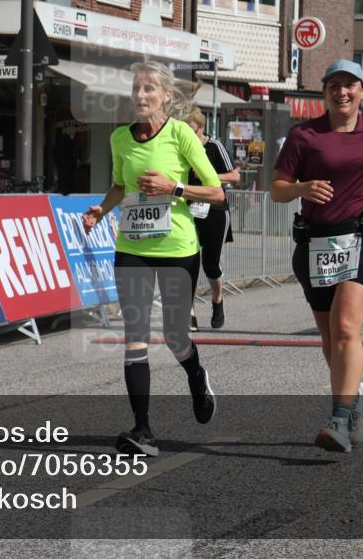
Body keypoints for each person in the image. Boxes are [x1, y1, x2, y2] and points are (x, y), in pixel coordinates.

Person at [269, 59, 363, 453]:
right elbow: (277, 188)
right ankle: (357, 396)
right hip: (318, 244)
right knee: (330, 337)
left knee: (346, 325)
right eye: (334, 85)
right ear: (326, 92)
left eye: (350, 85)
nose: (342, 91)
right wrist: (301, 188)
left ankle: (338, 420)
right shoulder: (304, 135)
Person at [82, 61, 225, 457]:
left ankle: (196, 376)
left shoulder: (180, 134)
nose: (141, 96)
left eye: (149, 89)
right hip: (132, 248)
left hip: (178, 249)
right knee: (136, 337)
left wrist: (174, 186)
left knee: (176, 336)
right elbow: (120, 185)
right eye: (136, 89)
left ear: (165, 96)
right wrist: (101, 210)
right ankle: (142, 430)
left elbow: (216, 193)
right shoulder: (120, 139)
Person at [182, 108, 239, 331]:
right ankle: (189, 313)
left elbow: (235, 175)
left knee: (210, 264)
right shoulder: (182, 150)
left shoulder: (213, 146)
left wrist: (209, 175)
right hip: (189, 210)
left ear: (201, 127)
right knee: (188, 263)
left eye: (191, 131)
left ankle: (217, 300)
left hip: (214, 210)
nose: (188, 136)